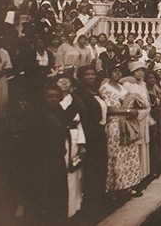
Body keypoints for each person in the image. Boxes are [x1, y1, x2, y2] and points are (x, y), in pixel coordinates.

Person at [99, 66, 142, 198]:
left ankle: (127, 186)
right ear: (109, 73)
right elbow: (109, 109)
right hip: (114, 124)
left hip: (126, 124)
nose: (117, 74)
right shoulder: (105, 88)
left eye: (119, 72)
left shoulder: (122, 87)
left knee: (128, 155)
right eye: (114, 71)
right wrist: (128, 111)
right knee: (116, 155)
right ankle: (114, 189)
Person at [29, 84, 68, 224]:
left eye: (57, 96)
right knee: (45, 196)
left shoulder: (59, 112)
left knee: (59, 195)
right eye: (50, 96)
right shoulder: (37, 115)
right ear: (42, 98)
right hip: (42, 161)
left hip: (57, 158)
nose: (54, 99)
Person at [76, 65, 107, 210]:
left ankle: (98, 197)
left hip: (100, 133)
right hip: (89, 134)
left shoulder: (95, 92)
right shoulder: (80, 93)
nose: (90, 77)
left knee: (100, 165)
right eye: (87, 74)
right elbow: (83, 116)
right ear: (81, 77)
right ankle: (90, 200)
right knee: (91, 166)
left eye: (92, 74)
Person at [56, 76, 86, 218]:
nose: (64, 82)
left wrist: (82, 144)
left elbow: (79, 123)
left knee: (74, 171)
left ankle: (75, 206)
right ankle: (64, 208)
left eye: (67, 80)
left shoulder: (75, 100)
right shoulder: (53, 99)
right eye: (60, 79)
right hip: (58, 138)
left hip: (74, 136)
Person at [122, 62, 151, 184]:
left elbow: (147, 101)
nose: (140, 73)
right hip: (135, 117)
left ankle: (144, 174)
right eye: (137, 70)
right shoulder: (127, 84)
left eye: (142, 70)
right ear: (132, 72)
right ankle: (135, 176)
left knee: (144, 143)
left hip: (144, 117)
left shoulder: (143, 84)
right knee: (136, 144)